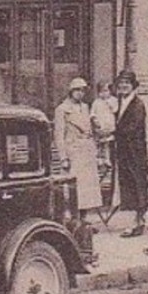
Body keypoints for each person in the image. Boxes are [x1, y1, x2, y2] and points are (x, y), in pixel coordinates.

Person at [52, 77, 103, 222]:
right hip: (73, 152)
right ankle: (75, 220)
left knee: (88, 190)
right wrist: (63, 158)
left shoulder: (86, 107)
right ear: (71, 91)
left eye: (83, 90)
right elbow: (59, 135)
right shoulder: (62, 110)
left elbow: (91, 130)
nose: (80, 93)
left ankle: (85, 219)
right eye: (77, 90)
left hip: (87, 151)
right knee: (75, 189)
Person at [110, 71, 148, 236]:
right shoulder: (121, 102)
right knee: (129, 185)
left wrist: (113, 132)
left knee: (137, 184)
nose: (123, 86)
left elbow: (132, 127)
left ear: (133, 86)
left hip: (134, 151)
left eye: (127, 83)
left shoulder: (137, 104)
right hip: (124, 151)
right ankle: (137, 221)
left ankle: (138, 222)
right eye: (120, 83)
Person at [88, 77, 119, 221]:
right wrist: (96, 124)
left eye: (106, 91)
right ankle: (104, 161)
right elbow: (93, 115)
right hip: (101, 131)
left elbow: (116, 112)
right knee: (102, 146)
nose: (104, 94)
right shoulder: (96, 103)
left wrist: (110, 105)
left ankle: (108, 161)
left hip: (111, 130)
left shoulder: (113, 100)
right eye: (101, 91)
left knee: (109, 147)